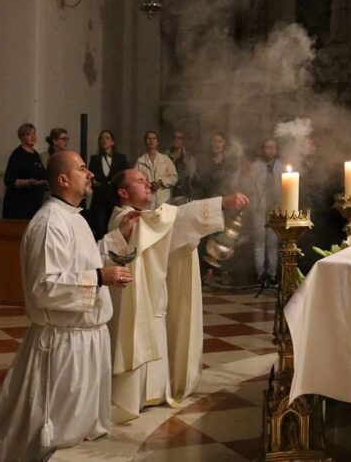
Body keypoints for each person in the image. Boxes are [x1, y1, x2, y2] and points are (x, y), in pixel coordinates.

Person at [0, 151, 139, 462]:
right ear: (63, 180)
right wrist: (99, 278)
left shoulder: (74, 217)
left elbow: (85, 259)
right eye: (82, 169)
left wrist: (117, 238)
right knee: (52, 429)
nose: (90, 174)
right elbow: (45, 287)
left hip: (87, 339)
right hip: (63, 345)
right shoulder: (50, 223)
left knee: (79, 429)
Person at [103, 168, 249, 422]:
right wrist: (221, 204)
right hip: (136, 304)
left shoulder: (144, 219)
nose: (147, 185)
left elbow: (170, 229)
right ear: (123, 192)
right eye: (140, 181)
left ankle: (155, 393)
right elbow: (177, 220)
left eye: (147, 181)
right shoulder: (127, 219)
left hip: (153, 301)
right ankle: (132, 397)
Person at [250, 139, 281, 286]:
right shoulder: (256, 166)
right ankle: (260, 274)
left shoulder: (280, 166)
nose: (269, 150)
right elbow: (249, 185)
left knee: (272, 243)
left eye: (272, 147)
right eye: (267, 147)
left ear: (276, 149)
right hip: (259, 208)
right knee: (259, 242)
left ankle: (272, 274)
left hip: (275, 208)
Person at [87, 130, 130, 239]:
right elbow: (90, 176)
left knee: (115, 229)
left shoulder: (121, 159)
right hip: (99, 200)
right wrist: (94, 183)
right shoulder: (94, 159)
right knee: (100, 229)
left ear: (112, 142)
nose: (103, 140)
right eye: (101, 138)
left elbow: (127, 176)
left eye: (107, 138)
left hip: (115, 200)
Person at [2, 123, 47, 219]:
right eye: (28, 134)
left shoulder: (36, 155)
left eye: (34, 133)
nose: (33, 137)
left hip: (34, 203)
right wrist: (28, 182)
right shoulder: (17, 155)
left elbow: (42, 174)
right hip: (19, 204)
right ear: (22, 137)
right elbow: (9, 180)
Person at [135, 131, 178, 209]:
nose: (151, 141)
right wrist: (148, 185)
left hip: (164, 202)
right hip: (148, 203)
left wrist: (161, 182)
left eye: (154, 138)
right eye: (149, 138)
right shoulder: (140, 161)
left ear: (157, 142)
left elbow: (174, 178)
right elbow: (136, 182)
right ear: (145, 142)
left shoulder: (165, 159)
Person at [166, 130, 195, 200]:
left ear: (182, 141)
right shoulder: (166, 156)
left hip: (183, 192)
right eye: (175, 138)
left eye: (179, 138)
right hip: (168, 191)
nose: (176, 140)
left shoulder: (188, 156)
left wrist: (186, 164)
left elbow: (191, 175)